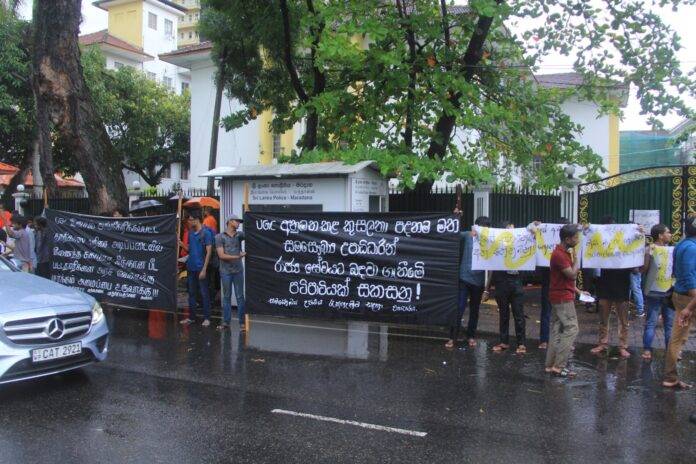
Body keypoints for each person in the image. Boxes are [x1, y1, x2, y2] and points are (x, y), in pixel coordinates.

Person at [545, 224, 587, 377]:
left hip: (559, 295)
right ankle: (559, 365)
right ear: (567, 239)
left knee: (557, 329)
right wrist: (577, 261)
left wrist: (578, 291)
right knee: (571, 328)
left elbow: (563, 279)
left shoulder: (562, 253)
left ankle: (550, 365)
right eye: (575, 238)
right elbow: (572, 275)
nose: (577, 240)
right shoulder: (560, 255)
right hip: (562, 298)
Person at [590, 216, 635, 359]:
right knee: (603, 318)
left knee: (623, 320)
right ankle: (603, 343)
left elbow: (635, 263)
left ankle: (623, 345)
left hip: (621, 284)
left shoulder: (625, 242)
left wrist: (638, 232)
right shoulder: (599, 243)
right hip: (604, 284)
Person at [445, 214, 491, 349]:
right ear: (476, 227)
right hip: (464, 278)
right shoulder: (467, 235)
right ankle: (452, 337)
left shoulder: (490, 240)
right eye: (482, 227)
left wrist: (487, 288)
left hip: (479, 281)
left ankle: (471, 336)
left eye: (487, 228)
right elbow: (452, 233)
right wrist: (455, 216)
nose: (484, 230)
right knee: (459, 307)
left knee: (474, 310)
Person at [662, 215, 696, 389]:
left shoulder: (682, 244)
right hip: (689, 297)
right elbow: (690, 275)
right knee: (678, 337)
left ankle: (670, 377)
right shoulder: (691, 248)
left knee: (677, 337)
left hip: (680, 294)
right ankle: (670, 377)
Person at [484, 220, 527, 354]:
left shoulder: (520, 245)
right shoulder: (497, 247)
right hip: (502, 283)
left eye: (513, 230)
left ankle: (521, 343)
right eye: (509, 230)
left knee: (519, 314)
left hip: (516, 282)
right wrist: (486, 289)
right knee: (503, 314)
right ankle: (504, 341)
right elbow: (491, 268)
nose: (512, 232)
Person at [639, 224, 675, 361]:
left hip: (655, 291)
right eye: (668, 232)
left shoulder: (650, 249)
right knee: (668, 324)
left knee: (652, 322)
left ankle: (647, 351)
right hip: (666, 291)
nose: (670, 234)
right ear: (660, 235)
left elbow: (644, 269)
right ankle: (669, 351)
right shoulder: (671, 250)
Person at [179, 212, 214, 327]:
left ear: (197, 219)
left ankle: (207, 318)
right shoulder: (190, 233)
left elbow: (209, 252)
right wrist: (181, 244)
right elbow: (190, 249)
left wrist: (204, 269)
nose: (189, 222)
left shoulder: (206, 233)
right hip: (191, 267)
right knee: (191, 293)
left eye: (190, 219)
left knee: (204, 293)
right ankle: (191, 317)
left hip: (201, 268)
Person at [215, 216, 246, 331]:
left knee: (240, 296)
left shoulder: (240, 235)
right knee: (227, 297)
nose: (238, 223)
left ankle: (242, 323)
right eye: (237, 221)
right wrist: (238, 256)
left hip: (238, 270)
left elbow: (253, 235)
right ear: (230, 222)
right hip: (226, 271)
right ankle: (226, 322)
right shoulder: (219, 237)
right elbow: (221, 255)